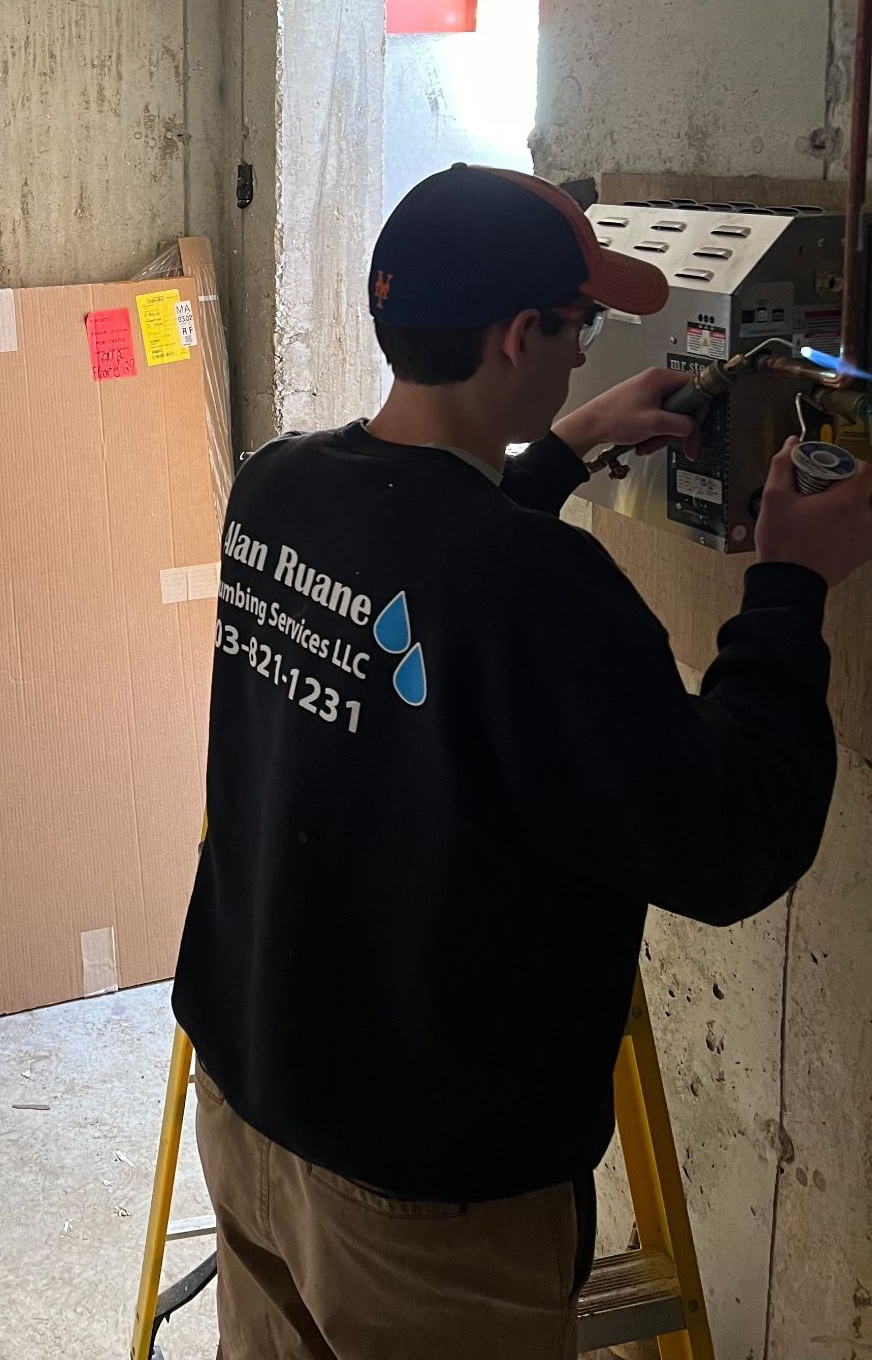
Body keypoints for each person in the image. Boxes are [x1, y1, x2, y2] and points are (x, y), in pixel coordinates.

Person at [172, 164, 872, 1360]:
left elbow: (426, 563)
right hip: (419, 1191)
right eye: (579, 325)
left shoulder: (275, 486)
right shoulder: (538, 587)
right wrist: (790, 586)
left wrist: (560, 450)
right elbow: (728, 842)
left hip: (248, 1095)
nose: (584, 353)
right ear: (517, 336)